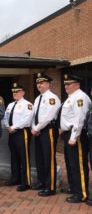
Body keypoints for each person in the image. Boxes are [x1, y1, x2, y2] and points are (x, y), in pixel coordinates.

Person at [60, 74, 91, 203]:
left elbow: (79, 119)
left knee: (78, 165)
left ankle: (81, 193)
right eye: (65, 84)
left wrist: (73, 137)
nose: (66, 86)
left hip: (76, 135)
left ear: (77, 84)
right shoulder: (71, 97)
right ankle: (74, 187)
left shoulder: (80, 97)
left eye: (69, 84)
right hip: (69, 134)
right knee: (70, 164)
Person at [31, 73, 61, 197]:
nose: (39, 85)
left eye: (42, 82)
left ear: (48, 84)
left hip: (48, 130)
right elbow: (34, 115)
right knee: (40, 158)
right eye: (38, 83)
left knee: (48, 158)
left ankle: (51, 186)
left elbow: (48, 117)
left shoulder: (52, 98)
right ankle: (42, 182)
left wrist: (36, 128)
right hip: (38, 131)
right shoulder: (38, 98)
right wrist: (34, 127)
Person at [4, 83, 34, 191]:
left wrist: (14, 127)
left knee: (24, 157)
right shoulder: (10, 105)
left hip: (22, 132)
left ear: (23, 92)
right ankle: (15, 178)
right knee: (14, 156)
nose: (15, 93)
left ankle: (26, 182)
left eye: (17, 91)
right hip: (12, 133)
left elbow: (27, 120)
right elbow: (5, 117)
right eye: (13, 91)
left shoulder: (28, 105)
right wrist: (8, 126)